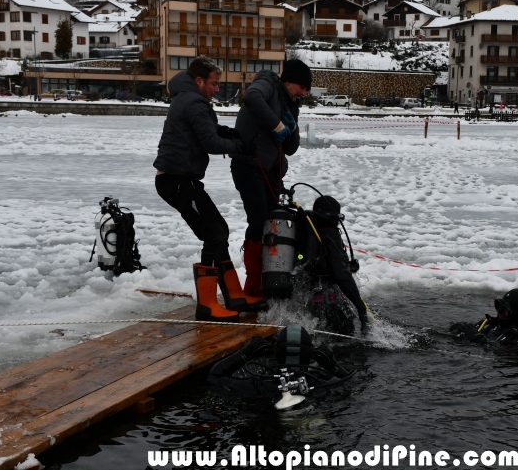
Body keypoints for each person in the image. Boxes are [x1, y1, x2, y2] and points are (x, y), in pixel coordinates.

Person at [153, 56, 265, 324]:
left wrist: (231, 133)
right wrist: (241, 146)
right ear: (199, 81)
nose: (217, 89)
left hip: (181, 180)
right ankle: (207, 305)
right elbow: (211, 142)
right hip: (176, 182)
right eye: (214, 84)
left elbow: (209, 130)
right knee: (214, 233)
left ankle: (235, 295)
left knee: (219, 231)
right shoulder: (193, 102)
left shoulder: (190, 99)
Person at [230, 59, 311, 299]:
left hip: (270, 171)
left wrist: (292, 125)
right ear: (289, 81)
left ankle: (272, 277)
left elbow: (291, 148)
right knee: (258, 221)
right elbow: (252, 97)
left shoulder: (290, 103)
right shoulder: (267, 84)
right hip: (247, 166)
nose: (304, 93)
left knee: (273, 221)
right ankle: (253, 285)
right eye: (303, 87)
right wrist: (276, 124)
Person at [208, 324, 353, 408]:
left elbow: (214, 377)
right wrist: (332, 365)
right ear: (310, 355)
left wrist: (246, 352)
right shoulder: (320, 384)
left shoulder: (258, 385)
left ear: (276, 353)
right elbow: (354, 385)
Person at [293, 195, 371, 335]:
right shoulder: (329, 233)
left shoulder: (305, 230)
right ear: (333, 216)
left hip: (306, 302)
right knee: (345, 341)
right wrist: (361, 309)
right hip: (328, 304)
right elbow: (341, 275)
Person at [449, 289, 518, 347]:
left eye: (504, 309)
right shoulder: (492, 324)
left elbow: (501, 352)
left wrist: (477, 339)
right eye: (498, 306)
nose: (498, 312)